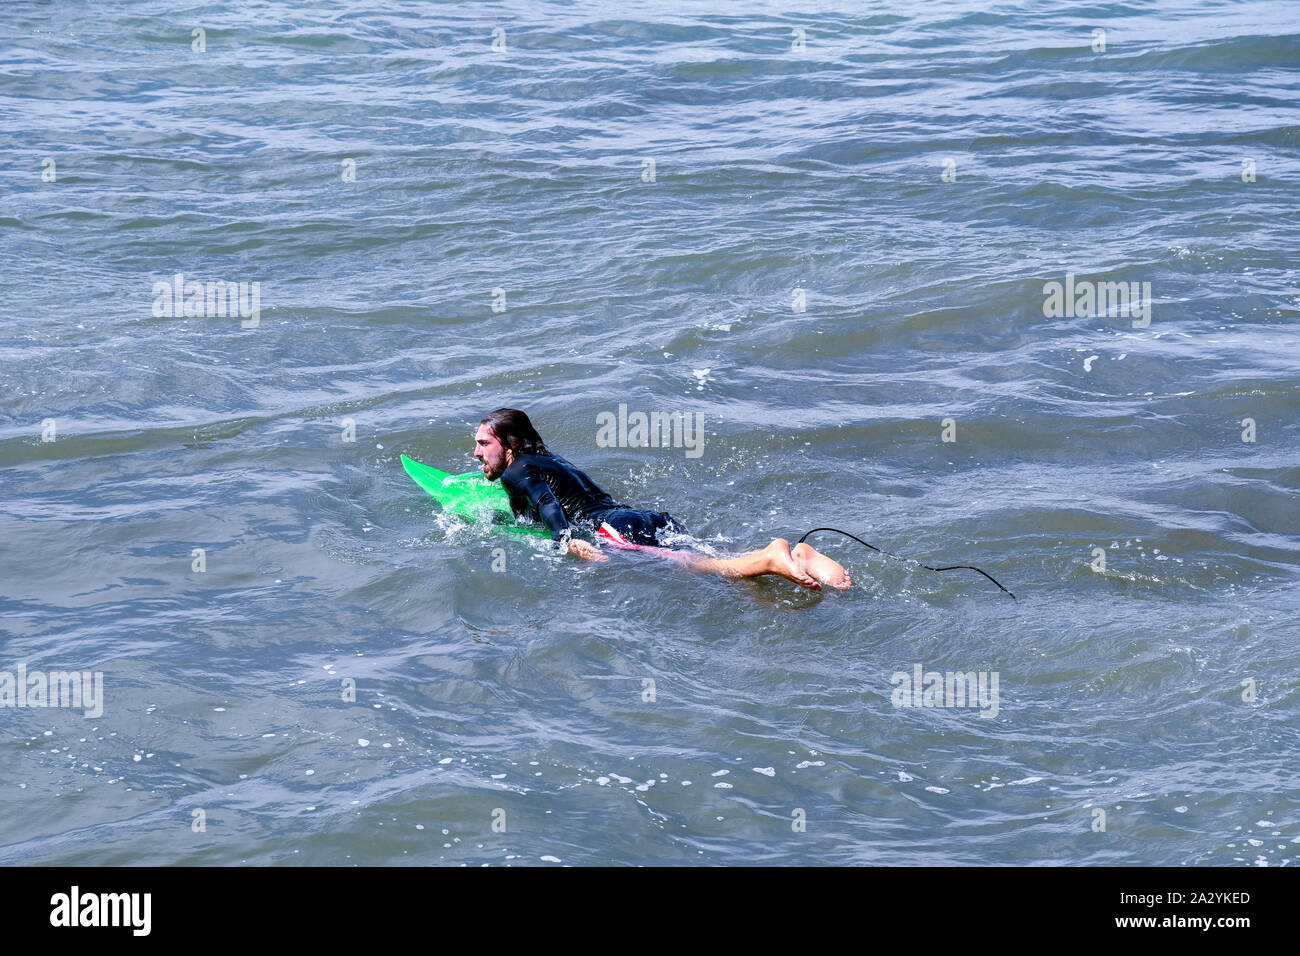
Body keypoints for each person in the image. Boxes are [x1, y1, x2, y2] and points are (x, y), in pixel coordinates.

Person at [473, 408, 851, 591]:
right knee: (725, 573)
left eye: (483, 443)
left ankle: (771, 556)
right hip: (640, 518)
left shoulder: (515, 470)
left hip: (611, 529)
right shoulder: (547, 459)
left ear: (511, 445)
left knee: (698, 567)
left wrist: (563, 540)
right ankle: (796, 556)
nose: (476, 453)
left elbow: (547, 504)